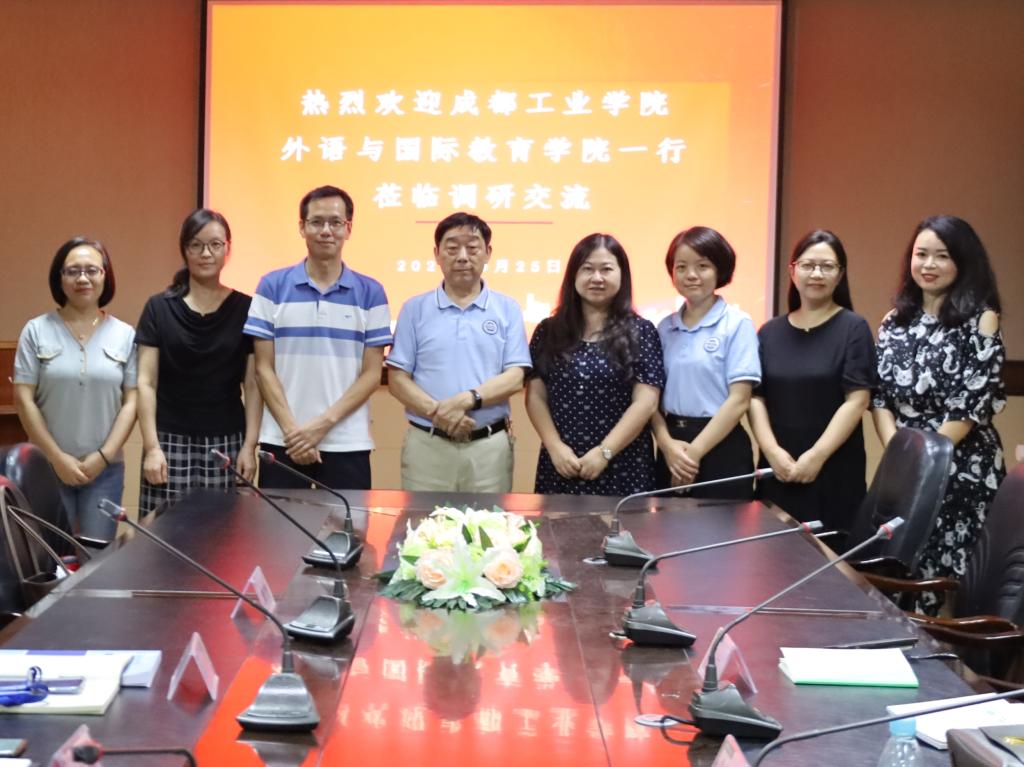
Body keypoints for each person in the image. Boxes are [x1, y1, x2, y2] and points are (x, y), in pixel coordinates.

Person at [873, 215, 1006, 614]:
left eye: (942, 256)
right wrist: (902, 458)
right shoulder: (893, 321)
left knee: (951, 580)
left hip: (960, 468)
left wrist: (922, 464)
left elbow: (968, 406)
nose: (928, 265)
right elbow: (880, 401)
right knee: (898, 573)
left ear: (963, 262)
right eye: (921, 254)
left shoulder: (981, 318)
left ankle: (951, 652)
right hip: (907, 469)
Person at [244, 185, 392, 489]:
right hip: (283, 440)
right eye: (316, 222)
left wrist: (320, 427)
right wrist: (294, 432)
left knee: (348, 521)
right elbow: (263, 368)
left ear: (348, 228)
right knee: (279, 522)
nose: (326, 231)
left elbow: (371, 374)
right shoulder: (271, 286)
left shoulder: (371, 292)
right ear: (302, 227)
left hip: (347, 442)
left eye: (335, 222)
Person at [386, 213, 531, 492]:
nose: (463, 257)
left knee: (490, 520)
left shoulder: (507, 308)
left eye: (473, 248)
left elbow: (515, 377)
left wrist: (468, 400)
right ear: (437, 254)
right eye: (452, 248)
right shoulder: (414, 309)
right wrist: (440, 414)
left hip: (489, 448)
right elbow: (397, 379)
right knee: (422, 519)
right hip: (428, 444)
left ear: (488, 253)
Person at [748, 230, 876, 532]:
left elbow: (857, 400)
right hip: (777, 468)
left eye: (827, 266)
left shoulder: (854, 328)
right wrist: (772, 452)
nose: (816, 274)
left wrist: (816, 456)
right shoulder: (769, 332)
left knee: (831, 555)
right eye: (808, 265)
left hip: (833, 469)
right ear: (793, 271)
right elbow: (755, 398)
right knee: (770, 552)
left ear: (840, 274)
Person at [135, 209, 261, 515]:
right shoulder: (158, 308)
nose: (206, 253)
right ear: (184, 250)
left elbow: (253, 385)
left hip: (227, 441)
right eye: (196, 245)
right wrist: (151, 448)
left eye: (215, 245)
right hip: (168, 442)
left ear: (227, 249)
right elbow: (146, 382)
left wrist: (249, 446)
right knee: (162, 535)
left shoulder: (247, 308)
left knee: (222, 535)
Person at [13, 237, 137, 540]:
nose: (83, 278)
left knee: (98, 557)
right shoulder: (36, 330)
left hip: (105, 471)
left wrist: (103, 457)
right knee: (51, 558)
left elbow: (132, 401)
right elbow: (23, 398)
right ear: (60, 278)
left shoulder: (125, 334)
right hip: (47, 467)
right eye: (73, 271)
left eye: (92, 270)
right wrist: (57, 458)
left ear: (105, 276)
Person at [526, 233, 663, 496]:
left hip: (624, 463)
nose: (596, 278)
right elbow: (535, 397)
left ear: (622, 275)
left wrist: (604, 452)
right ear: (573, 275)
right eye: (587, 269)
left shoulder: (641, 331)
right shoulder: (548, 330)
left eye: (606, 269)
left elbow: (646, 402)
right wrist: (555, 447)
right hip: (562, 463)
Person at [651, 227, 760, 499]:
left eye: (702, 266)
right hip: (672, 446)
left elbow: (739, 400)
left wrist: (694, 454)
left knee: (722, 526)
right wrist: (666, 445)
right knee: (668, 525)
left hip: (722, 446)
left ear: (720, 270)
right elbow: (649, 399)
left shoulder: (737, 323)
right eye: (681, 267)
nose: (691, 275)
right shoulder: (664, 328)